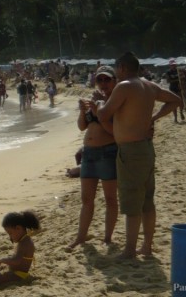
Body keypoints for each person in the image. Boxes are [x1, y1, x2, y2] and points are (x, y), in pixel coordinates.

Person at [97, 52, 181, 259]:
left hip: (131, 149)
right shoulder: (149, 86)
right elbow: (176, 100)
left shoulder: (124, 86)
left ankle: (129, 250)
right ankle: (147, 246)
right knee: (147, 200)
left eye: (116, 69)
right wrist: (154, 117)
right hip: (145, 147)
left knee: (132, 200)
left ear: (122, 68)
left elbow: (104, 114)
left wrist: (98, 104)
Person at [67, 65, 118, 250]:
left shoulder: (115, 102)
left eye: (107, 80)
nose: (103, 83)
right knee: (86, 199)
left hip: (108, 152)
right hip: (89, 153)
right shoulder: (94, 101)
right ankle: (80, 237)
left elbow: (115, 132)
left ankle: (107, 238)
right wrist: (83, 111)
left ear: (115, 81)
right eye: (100, 80)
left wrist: (100, 110)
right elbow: (82, 127)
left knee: (110, 198)